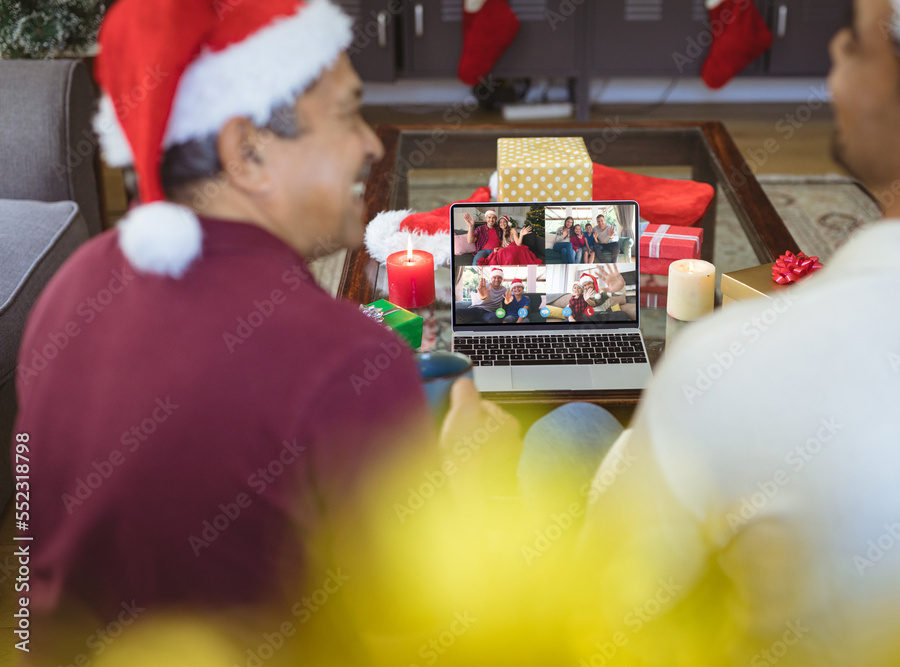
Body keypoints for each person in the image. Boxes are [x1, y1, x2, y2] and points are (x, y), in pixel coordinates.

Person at [13, 0, 521, 660]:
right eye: (345, 115)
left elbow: (35, 581)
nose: (370, 141)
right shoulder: (349, 361)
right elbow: (422, 640)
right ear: (246, 151)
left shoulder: (66, 291)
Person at [572, 0, 900, 663]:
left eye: (856, 44)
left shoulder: (739, 361)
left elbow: (603, 606)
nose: (832, 51)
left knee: (569, 428)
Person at [476, 215, 543, 266]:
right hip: (507, 249)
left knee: (502, 252)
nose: (502, 224)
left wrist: (521, 235)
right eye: (500, 222)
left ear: (507, 223)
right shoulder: (501, 232)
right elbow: (503, 245)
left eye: (504, 222)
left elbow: (518, 244)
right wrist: (498, 248)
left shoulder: (512, 230)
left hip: (516, 248)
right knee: (496, 252)